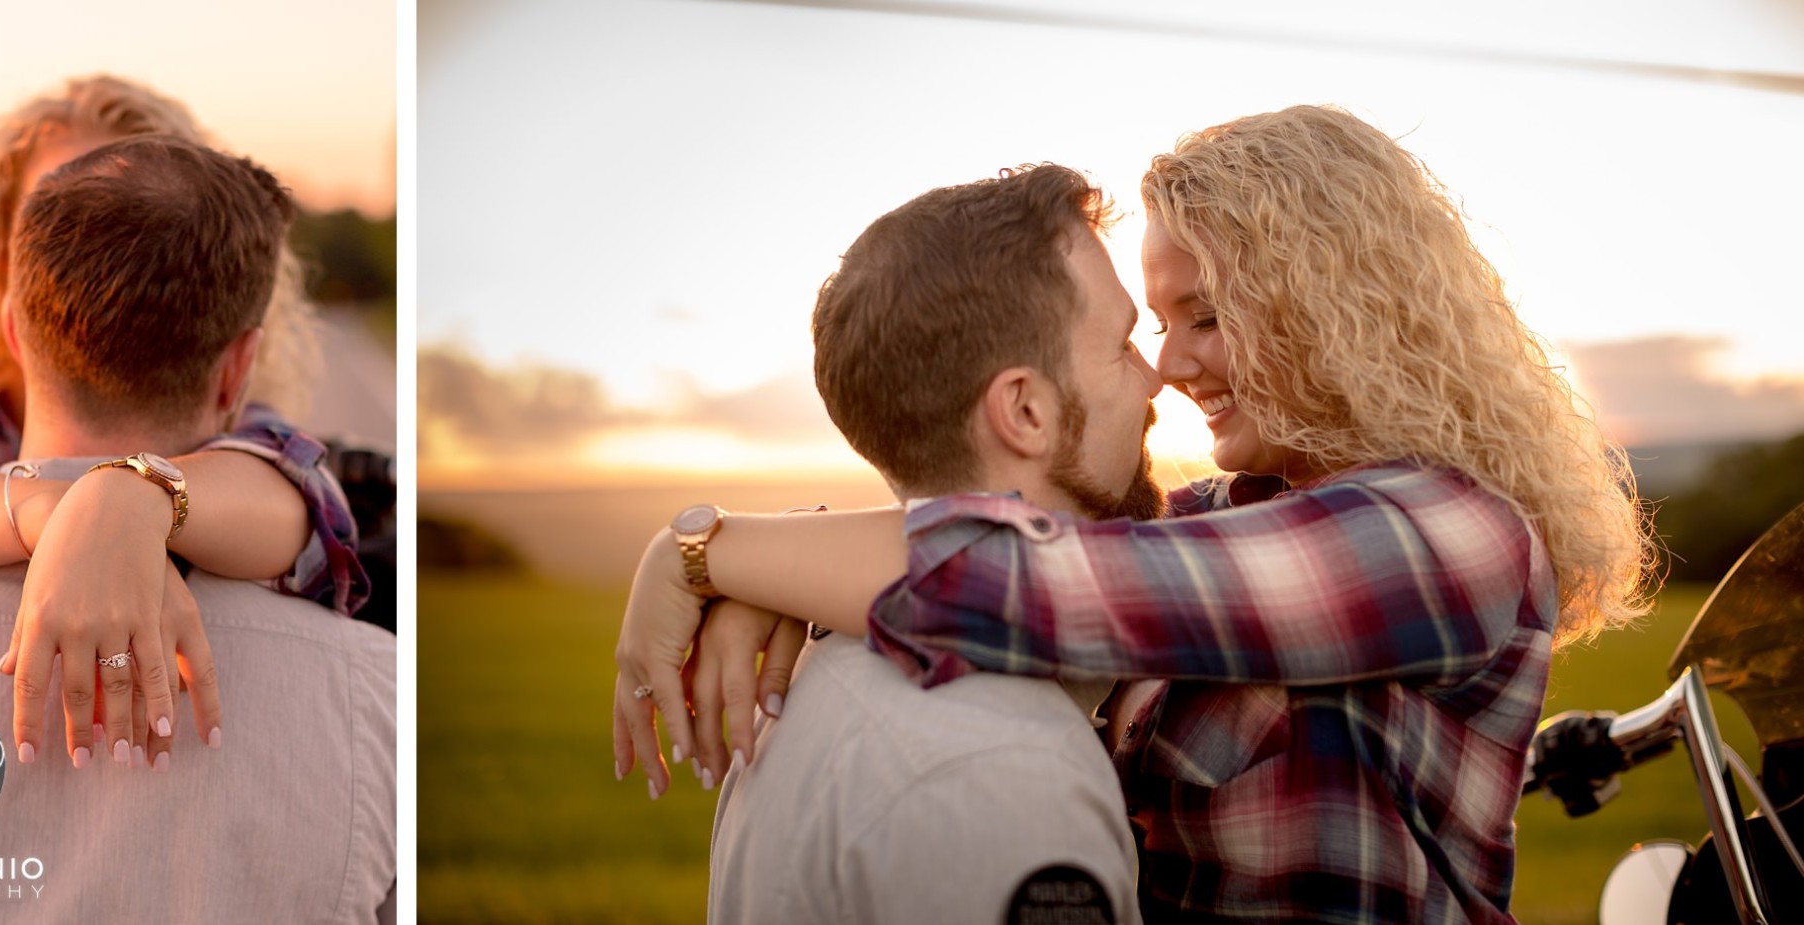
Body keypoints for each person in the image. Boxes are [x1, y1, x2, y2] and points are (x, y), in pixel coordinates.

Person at [613, 106, 1655, 923]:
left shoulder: (1451, 535)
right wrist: (756, 579)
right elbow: (1006, 535)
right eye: (1154, 324)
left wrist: (703, 551)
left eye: (1208, 316)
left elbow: (1016, 576)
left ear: (1341, 310)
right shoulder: (1216, 518)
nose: (1169, 364)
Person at [0, 135, 397, 923]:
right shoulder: (380, 696)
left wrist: (113, 496)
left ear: (13, 330)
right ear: (239, 367)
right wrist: (76, 506)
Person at [690, 165, 1153, 923]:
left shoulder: (818, 664)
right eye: (1125, 345)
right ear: (1025, 411)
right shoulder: (1007, 771)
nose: (1155, 379)